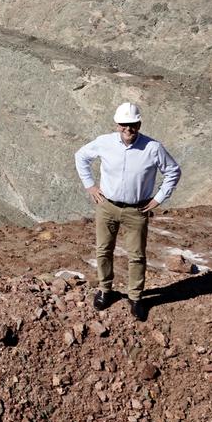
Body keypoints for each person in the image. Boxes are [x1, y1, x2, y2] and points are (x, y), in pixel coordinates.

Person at [74, 102, 181, 321]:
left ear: (139, 124)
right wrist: (90, 186)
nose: (128, 129)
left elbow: (173, 171)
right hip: (107, 206)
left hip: (137, 209)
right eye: (124, 125)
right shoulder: (104, 143)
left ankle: (136, 297)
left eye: (132, 125)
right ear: (116, 125)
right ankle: (105, 290)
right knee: (103, 250)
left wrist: (159, 198)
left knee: (137, 255)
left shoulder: (153, 148)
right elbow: (81, 156)